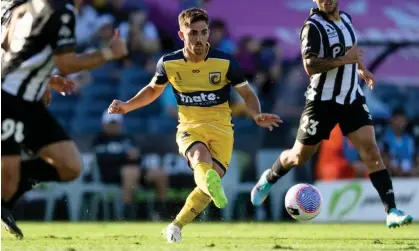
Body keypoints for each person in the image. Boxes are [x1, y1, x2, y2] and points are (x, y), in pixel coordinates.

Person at [108, 8, 281, 243]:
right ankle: (210, 184)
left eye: (203, 32)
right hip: (190, 127)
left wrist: (256, 114)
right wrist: (128, 106)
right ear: (182, 35)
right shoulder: (169, 63)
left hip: (222, 130)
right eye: (193, 33)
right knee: (200, 157)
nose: (199, 39)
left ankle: (176, 225)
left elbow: (247, 93)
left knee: (208, 184)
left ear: (208, 32)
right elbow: (152, 90)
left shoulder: (225, 61)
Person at [250, 0, 413, 228]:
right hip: (322, 102)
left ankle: (391, 210)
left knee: (371, 151)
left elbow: (352, 50)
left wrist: (361, 69)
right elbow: (310, 65)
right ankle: (269, 178)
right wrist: (347, 60)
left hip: (351, 99)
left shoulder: (346, 19)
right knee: (299, 156)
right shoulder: (312, 26)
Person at [1, 0, 127, 239]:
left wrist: (45, 78)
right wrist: (110, 52)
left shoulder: (31, 7)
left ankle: (8, 194)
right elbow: (66, 63)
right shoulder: (59, 10)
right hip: (9, 100)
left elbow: (13, 47)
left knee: (70, 167)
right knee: (6, 181)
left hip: (29, 102)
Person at [92, 111, 168, 220]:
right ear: (104, 124)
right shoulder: (99, 140)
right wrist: (124, 156)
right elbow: (102, 158)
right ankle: (128, 214)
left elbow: (139, 157)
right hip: (111, 174)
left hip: (135, 170)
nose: (114, 127)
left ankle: (159, 212)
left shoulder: (127, 139)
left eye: (116, 124)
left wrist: (136, 155)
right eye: (111, 124)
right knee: (130, 172)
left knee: (160, 174)